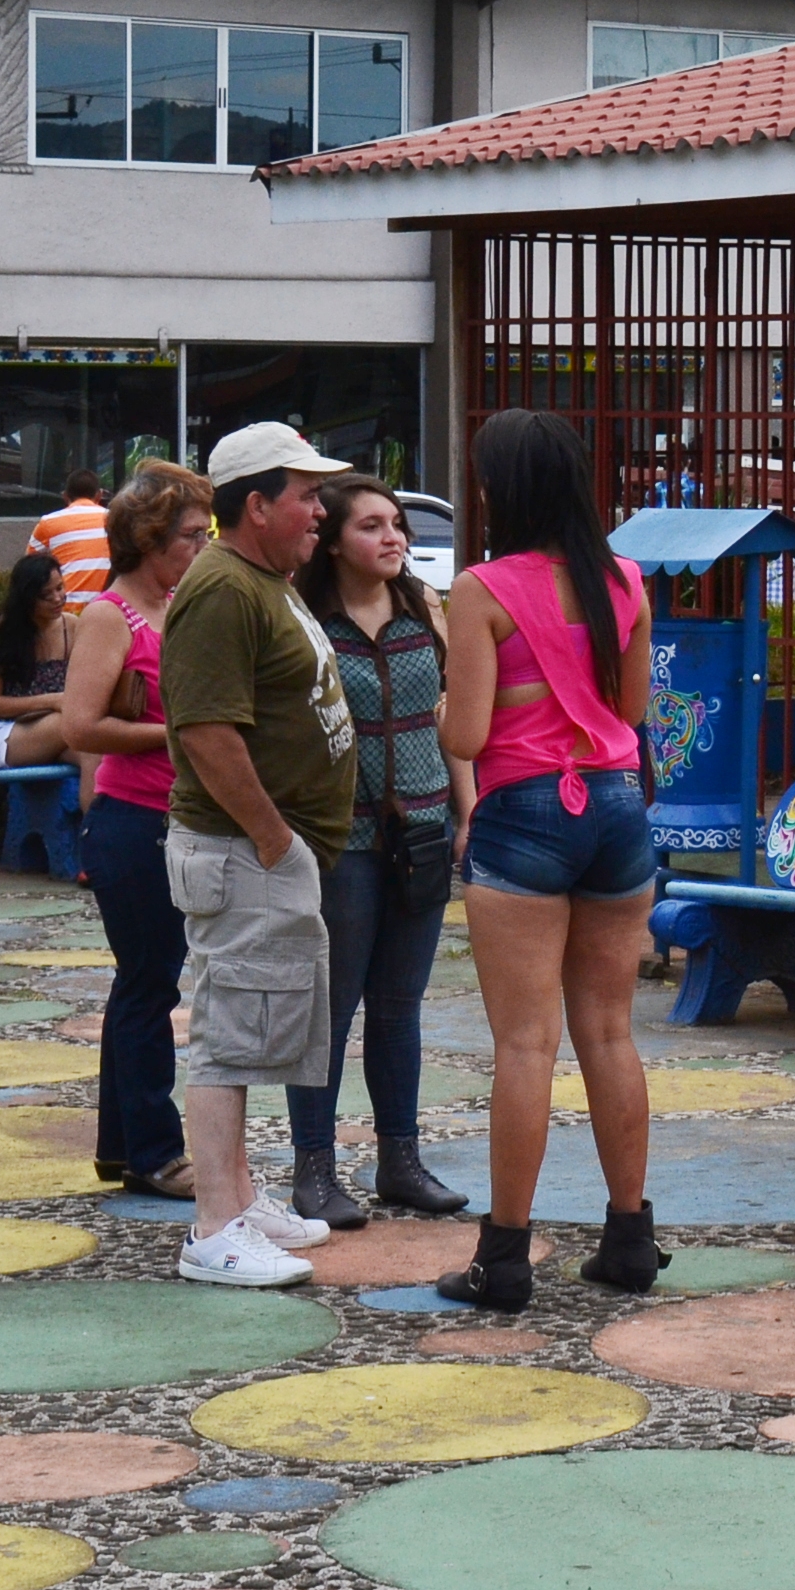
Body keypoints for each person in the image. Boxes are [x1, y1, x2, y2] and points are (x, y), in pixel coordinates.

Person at [438, 409, 659, 1306]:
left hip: (524, 812)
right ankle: (630, 1236)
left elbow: (467, 730)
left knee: (525, 1043)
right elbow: (632, 709)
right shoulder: (627, 582)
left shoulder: (481, 590)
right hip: (615, 808)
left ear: (505, 489)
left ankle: (504, 1257)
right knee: (610, 1029)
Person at [160, 421, 357, 1288]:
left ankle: (237, 1197)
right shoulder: (222, 591)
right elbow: (206, 729)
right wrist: (276, 840)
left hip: (263, 851)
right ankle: (214, 1227)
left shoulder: (260, 579)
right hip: (243, 850)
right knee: (228, 1036)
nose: (320, 510)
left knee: (252, 1025)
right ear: (256, 505)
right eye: (305, 495)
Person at [286, 475, 472, 1229]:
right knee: (328, 1006)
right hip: (343, 835)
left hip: (422, 826)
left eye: (397, 524)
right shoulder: (304, 617)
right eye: (372, 526)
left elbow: (451, 710)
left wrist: (469, 805)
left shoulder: (425, 607)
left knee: (400, 1003)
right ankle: (315, 1169)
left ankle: (401, 1159)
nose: (394, 537)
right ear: (331, 540)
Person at [60, 459, 213, 1200]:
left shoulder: (181, 606)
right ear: (148, 540)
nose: (199, 547)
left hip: (172, 816)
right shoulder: (107, 617)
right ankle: (155, 1149)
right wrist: (174, 734)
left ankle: (125, 1145)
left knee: (142, 985)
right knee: (151, 987)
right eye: (189, 536)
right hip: (132, 820)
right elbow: (80, 722)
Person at [0, 554, 78, 768]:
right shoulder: (4, 632)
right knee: (78, 722)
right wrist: (52, 701)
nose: (57, 599)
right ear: (27, 598)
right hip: (8, 731)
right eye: (45, 595)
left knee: (98, 759)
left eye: (60, 588)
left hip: (59, 728)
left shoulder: (72, 627)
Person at [30, 469, 114, 607]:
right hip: (108, 607)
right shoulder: (115, 519)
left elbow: (31, 569)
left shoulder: (48, 522)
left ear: (65, 496)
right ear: (99, 495)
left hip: (65, 608)